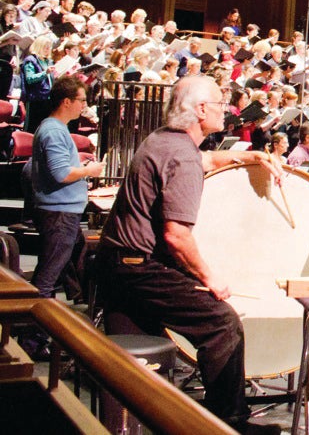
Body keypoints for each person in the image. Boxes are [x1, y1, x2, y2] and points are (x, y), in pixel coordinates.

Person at [95, 75, 285, 434]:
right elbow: (177, 236)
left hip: (114, 263)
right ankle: (227, 424)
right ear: (200, 111)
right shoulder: (181, 155)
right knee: (222, 324)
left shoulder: (164, 140)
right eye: (219, 103)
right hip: (139, 267)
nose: (225, 109)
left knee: (141, 374)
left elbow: (206, 157)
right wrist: (210, 278)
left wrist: (252, 155)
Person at [26, 76, 101, 345]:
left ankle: (35, 334)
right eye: (81, 100)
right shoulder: (54, 131)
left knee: (55, 274)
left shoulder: (52, 129)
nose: (84, 105)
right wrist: (88, 171)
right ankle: (32, 340)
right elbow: (60, 174)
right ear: (66, 101)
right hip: (59, 214)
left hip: (60, 211)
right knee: (47, 279)